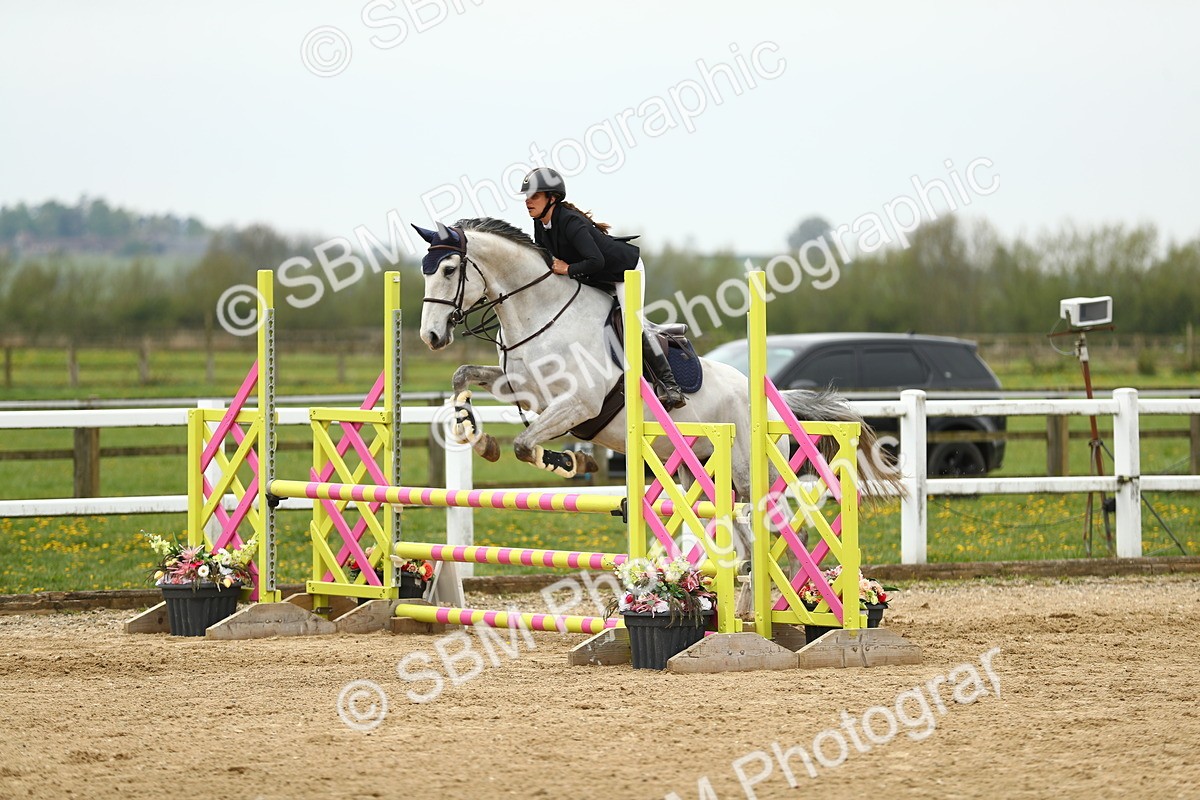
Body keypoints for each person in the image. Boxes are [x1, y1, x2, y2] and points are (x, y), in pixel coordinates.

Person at [519, 167, 686, 410]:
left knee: (631, 324)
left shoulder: (570, 222)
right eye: (526, 196)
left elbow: (597, 261)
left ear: (552, 198)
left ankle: (671, 386)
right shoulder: (540, 224)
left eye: (534, 196)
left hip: (623, 273)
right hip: (593, 276)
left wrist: (567, 270)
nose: (527, 201)